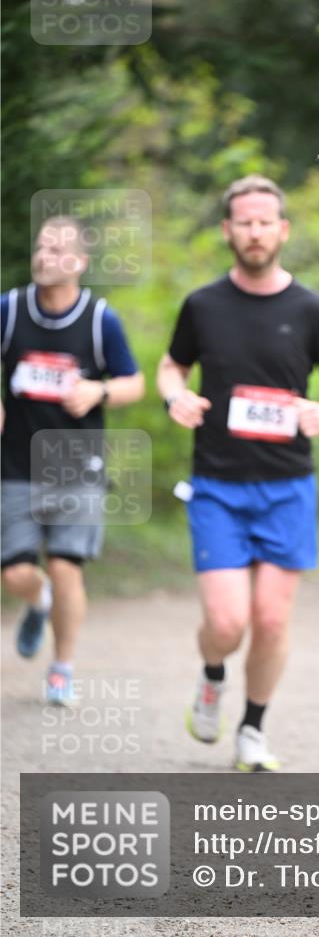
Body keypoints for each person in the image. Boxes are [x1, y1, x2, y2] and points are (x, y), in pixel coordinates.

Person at [157, 175, 319, 771]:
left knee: (270, 618)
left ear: (282, 230)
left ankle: (251, 730)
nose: (254, 231)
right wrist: (176, 397)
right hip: (216, 486)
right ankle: (213, 674)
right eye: (243, 222)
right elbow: (172, 367)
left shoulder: (310, 309)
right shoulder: (202, 304)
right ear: (227, 230)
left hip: (287, 486)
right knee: (225, 623)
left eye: (264, 221)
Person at [1, 216, 144, 704]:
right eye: (42, 248)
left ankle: (62, 667)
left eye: (59, 251)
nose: (46, 257)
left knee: (67, 569)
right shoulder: (10, 310)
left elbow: (134, 383)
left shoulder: (100, 319)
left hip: (77, 467)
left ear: (80, 263)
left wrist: (97, 390)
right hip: (15, 465)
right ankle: (38, 601)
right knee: (16, 573)